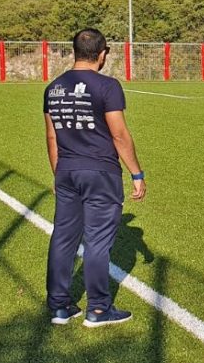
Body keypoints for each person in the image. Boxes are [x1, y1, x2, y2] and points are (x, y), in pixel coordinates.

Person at [43, 28, 147, 327]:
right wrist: (137, 173)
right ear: (102, 54)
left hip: (66, 171)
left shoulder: (53, 88)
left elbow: (51, 136)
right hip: (100, 172)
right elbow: (118, 134)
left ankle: (59, 306)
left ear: (74, 52)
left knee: (63, 238)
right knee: (98, 241)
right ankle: (99, 309)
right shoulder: (108, 86)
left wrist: (58, 172)